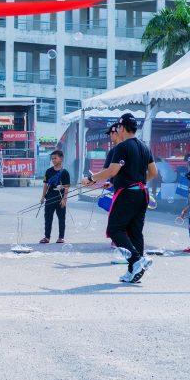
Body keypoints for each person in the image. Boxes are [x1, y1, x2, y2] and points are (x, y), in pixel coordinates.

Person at [83, 113, 157, 283]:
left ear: (122, 128)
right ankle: (133, 272)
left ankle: (137, 260)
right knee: (135, 232)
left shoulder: (122, 147)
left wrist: (91, 179)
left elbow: (112, 171)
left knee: (115, 229)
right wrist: (137, 182)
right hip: (142, 193)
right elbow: (153, 172)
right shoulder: (144, 147)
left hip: (127, 194)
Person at [39, 150, 71, 244]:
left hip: (60, 199)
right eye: (52, 159)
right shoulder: (48, 171)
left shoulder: (65, 172)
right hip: (49, 198)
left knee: (61, 218)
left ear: (61, 159)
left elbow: (66, 187)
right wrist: (43, 197)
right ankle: (47, 237)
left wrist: (64, 199)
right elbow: (45, 185)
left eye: (55, 158)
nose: (53, 160)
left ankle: (61, 237)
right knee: (48, 218)